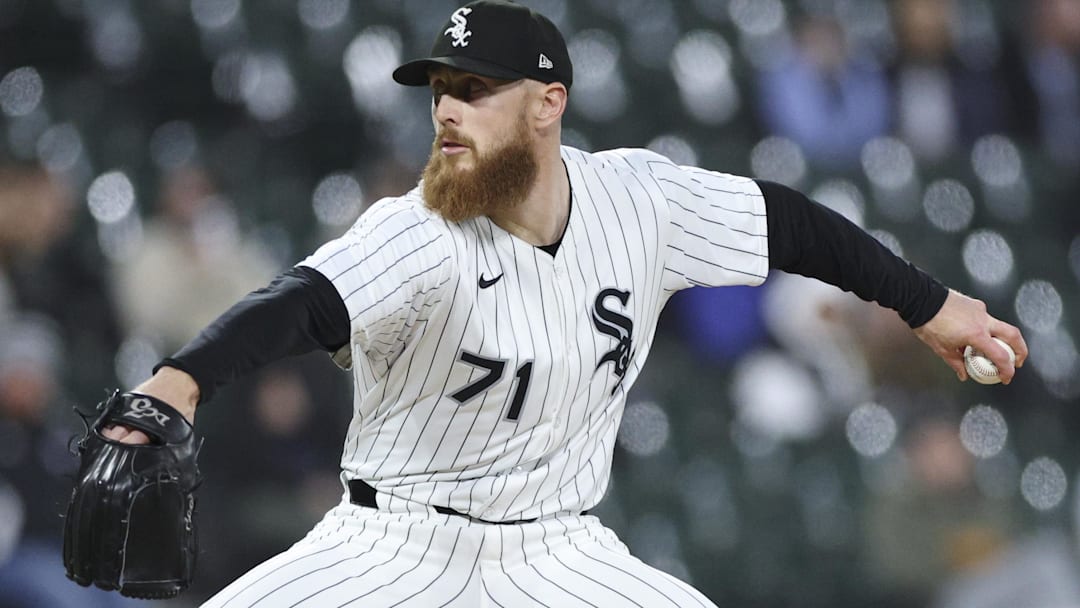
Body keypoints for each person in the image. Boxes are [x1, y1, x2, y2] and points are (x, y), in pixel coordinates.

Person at [99, 1, 1028, 606]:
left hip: (557, 553)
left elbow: (787, 224)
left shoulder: (640, 200)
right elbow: (300, 303)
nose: (446, 111)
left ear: (548, 104)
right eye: (439, 92)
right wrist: (183, 377)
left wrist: (928, 303)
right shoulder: (416, 230)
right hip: (390, 549)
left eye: (474, 90)